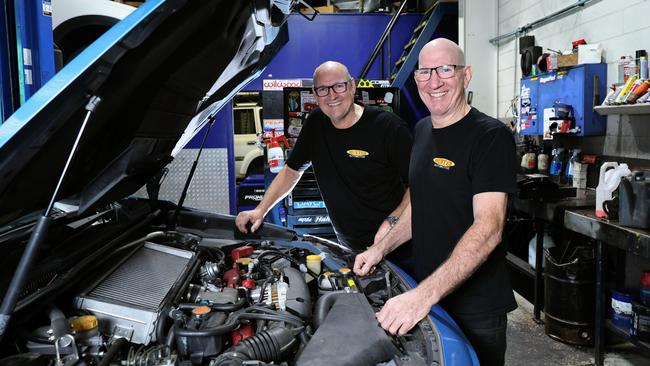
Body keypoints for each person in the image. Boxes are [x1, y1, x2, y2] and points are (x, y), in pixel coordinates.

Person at [353, 38, 517, 366]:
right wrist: (380, 248)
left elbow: (489, 228)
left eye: (445, 69)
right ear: (416, 80)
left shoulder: (491, 136)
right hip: (429, 293)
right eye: (425, 72)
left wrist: (421, 297)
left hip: (475, 307)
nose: (434, 81)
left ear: (466, 74)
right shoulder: (423, 129)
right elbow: (420, 205)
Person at [236, 61, 412, 260]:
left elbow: (418, 186)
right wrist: (260, 210)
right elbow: (291, 172)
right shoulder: (316, 123)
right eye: (323, 89)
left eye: (339, 86)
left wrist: (393, 222)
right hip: (350, 246)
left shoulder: (388, 127)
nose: (332, 95)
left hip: (397, 244)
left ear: (352, 86)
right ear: (315, 92)